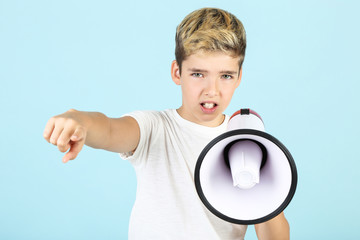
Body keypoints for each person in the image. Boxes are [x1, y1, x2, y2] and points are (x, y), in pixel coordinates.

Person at [43, 7, 290, 240]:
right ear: (177, 72)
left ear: (239, 78)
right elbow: (108, 129)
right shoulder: (154, 129)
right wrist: (82, 122)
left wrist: (264, 189)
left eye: (225, 76)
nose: (211, 90)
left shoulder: (251, 145)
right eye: (198, 74)